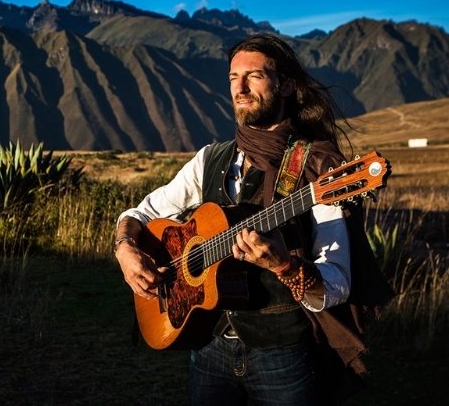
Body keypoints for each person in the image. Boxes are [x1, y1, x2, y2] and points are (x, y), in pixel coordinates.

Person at [113, 34, 392, 405]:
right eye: (233, 78)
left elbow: (337, 283)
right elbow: (141, 212)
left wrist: (285, 265)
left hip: (282, 354)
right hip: (209, 342)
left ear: (286, 85)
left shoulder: (318, 168)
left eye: (254, 76)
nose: (240, 88)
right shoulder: (211, 159)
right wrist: (125, 248)